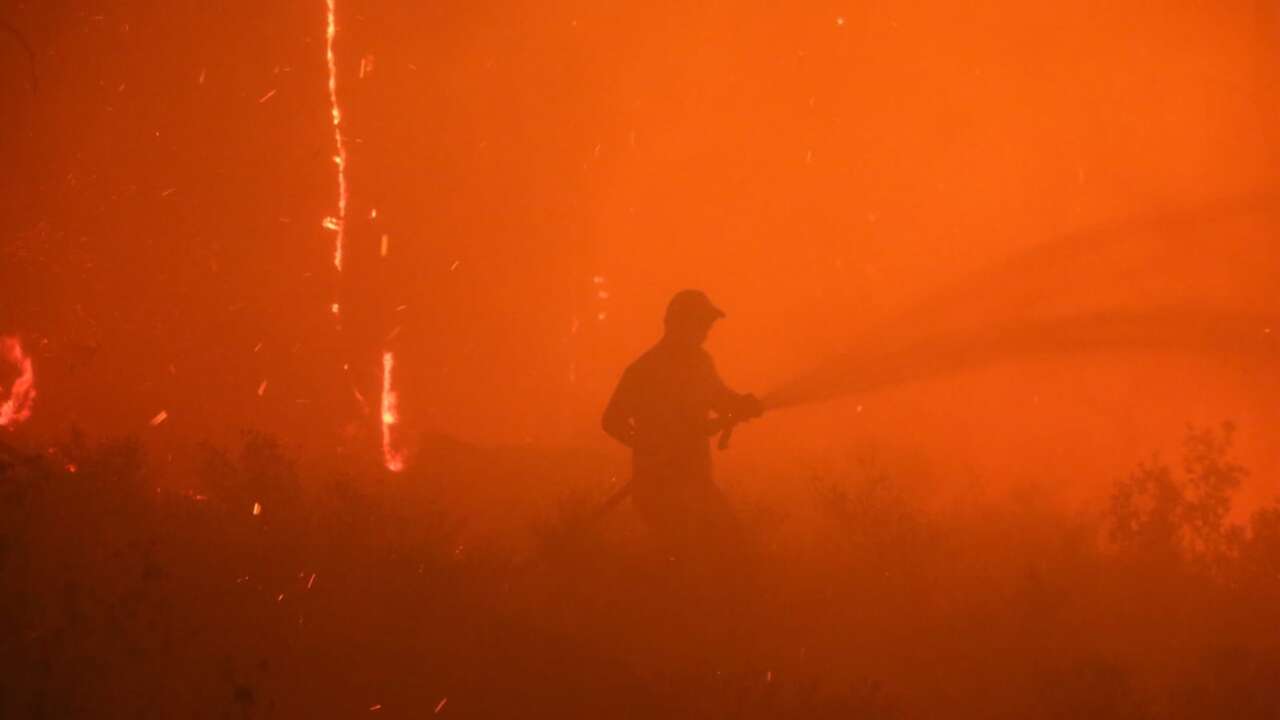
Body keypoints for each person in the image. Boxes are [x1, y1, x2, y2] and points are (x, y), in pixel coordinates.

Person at [601, 289, 763, 557]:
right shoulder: (644, 370)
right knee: (691, 559)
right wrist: (648, 447)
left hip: (696, 484)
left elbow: (719, 399)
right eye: (702, 323)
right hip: (658, 489)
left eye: (707, 324)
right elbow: (611, 420)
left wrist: (743, 404)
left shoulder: (700, 363)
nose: (706, 331)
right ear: (680, 323)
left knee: (730, 551)